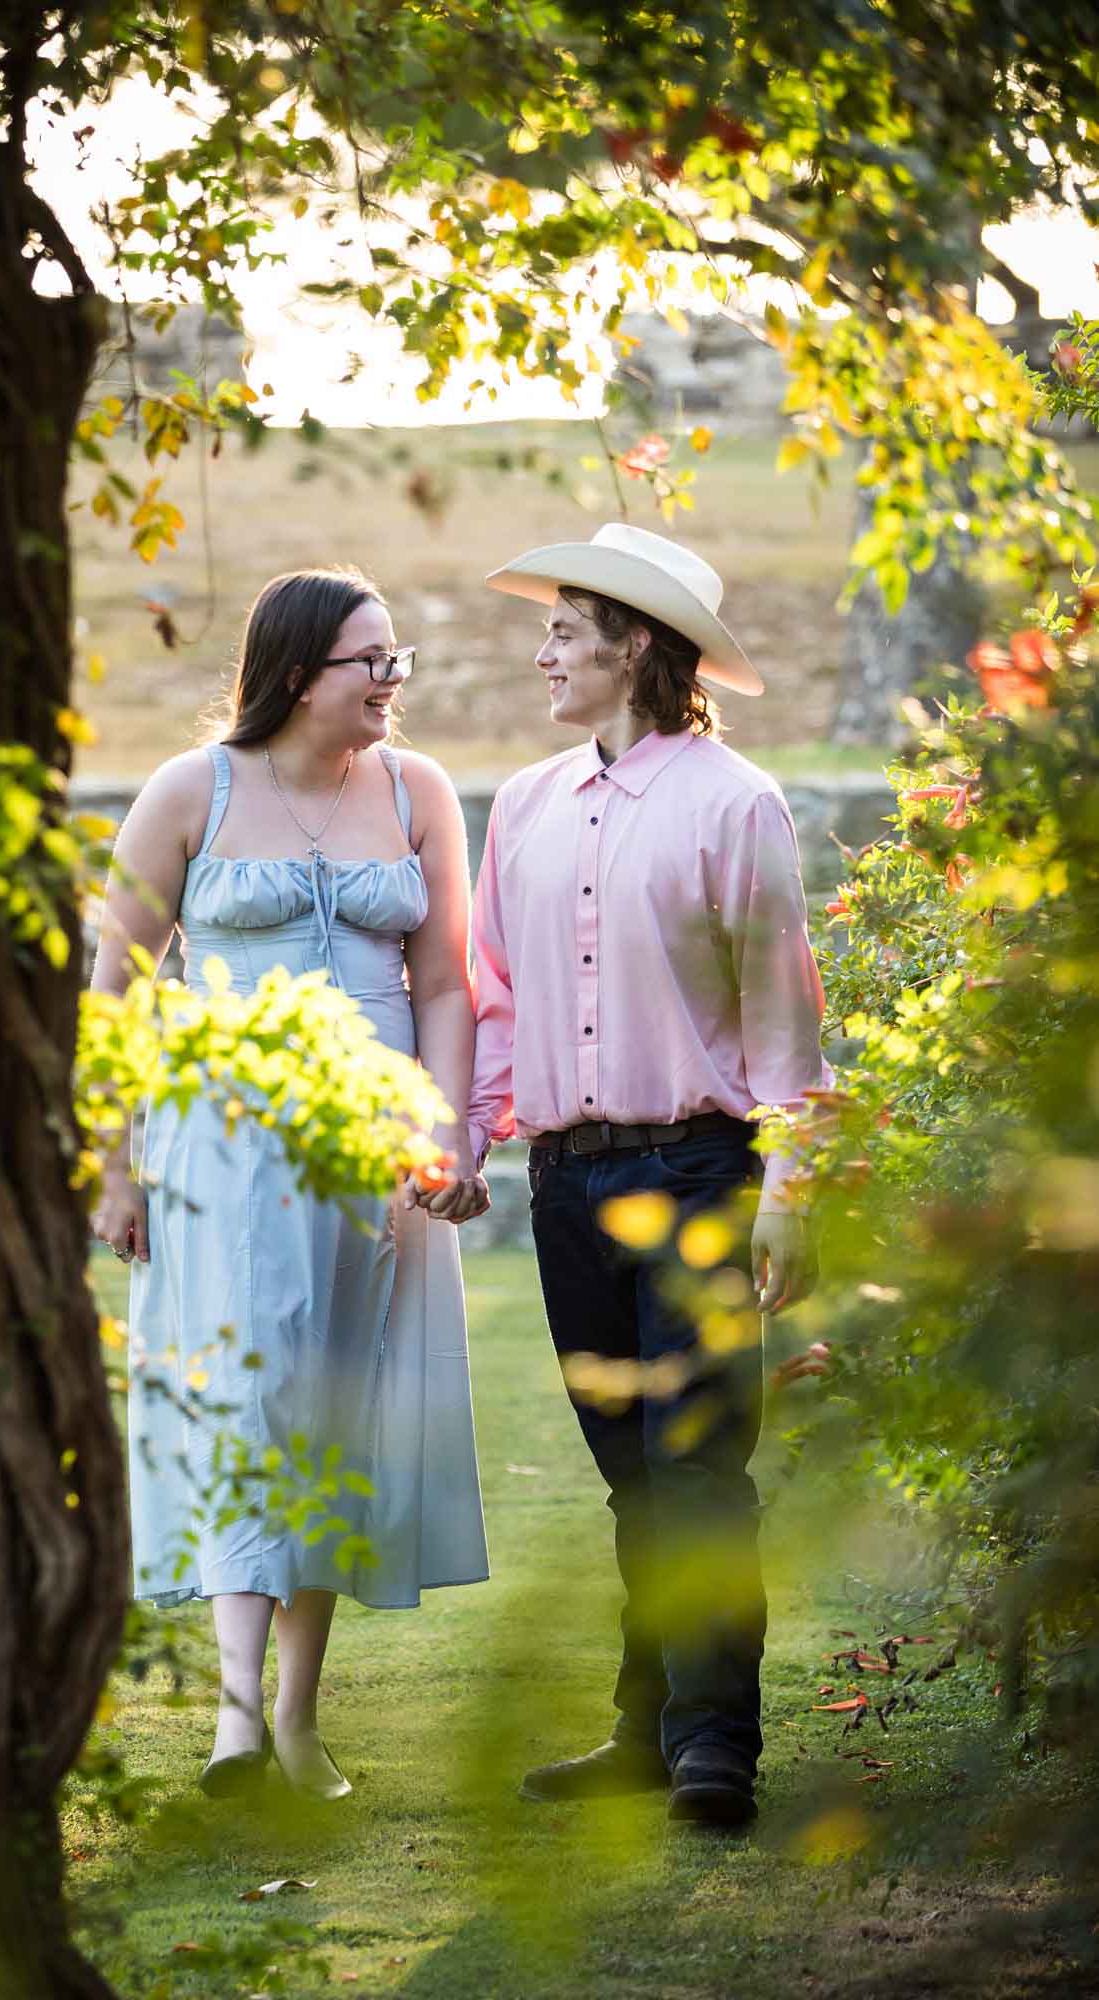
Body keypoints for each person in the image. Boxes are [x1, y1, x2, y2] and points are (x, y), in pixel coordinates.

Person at [90, 566, 490, 1804]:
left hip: (373, 1147)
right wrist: (113, 1165)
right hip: (221, 1145)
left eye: (395, 659)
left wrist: (446, 1135)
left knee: (337, 1404)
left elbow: (444, 982)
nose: (390, 680)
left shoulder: (418, 790)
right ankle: (231, 1718)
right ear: (297, 671)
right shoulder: (188, 789)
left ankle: (300, 1716)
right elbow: (116, 989)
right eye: (370, 660)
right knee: (244, 1398)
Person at [455, 522, 831, 1829]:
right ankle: (647, 1733)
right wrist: (469, 1143)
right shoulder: (522, 806)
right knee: (633, 1474)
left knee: (697, 1469)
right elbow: (495, 1000)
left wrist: (788, 1195)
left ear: (635, 646)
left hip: (700, 1173)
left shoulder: (736, 803)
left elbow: (784, 1027)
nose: (543, 654)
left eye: (564, 631)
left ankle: (713, 1749)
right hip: (565, 1184)